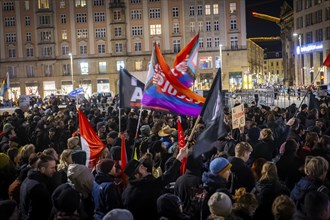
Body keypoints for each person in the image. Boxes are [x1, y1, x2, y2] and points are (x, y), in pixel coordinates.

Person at [122, 147, 188, 220]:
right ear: (136, 175)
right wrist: (179, 157)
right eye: (142, 168)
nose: (145, 168)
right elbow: (166, 177)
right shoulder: (145, 186)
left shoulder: (126, 191)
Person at [19, 154, 57, 220]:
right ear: (42, 169)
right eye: (52, 168)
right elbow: (35, 215)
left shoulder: (28, 179)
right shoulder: (37, 187)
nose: (55, 170)